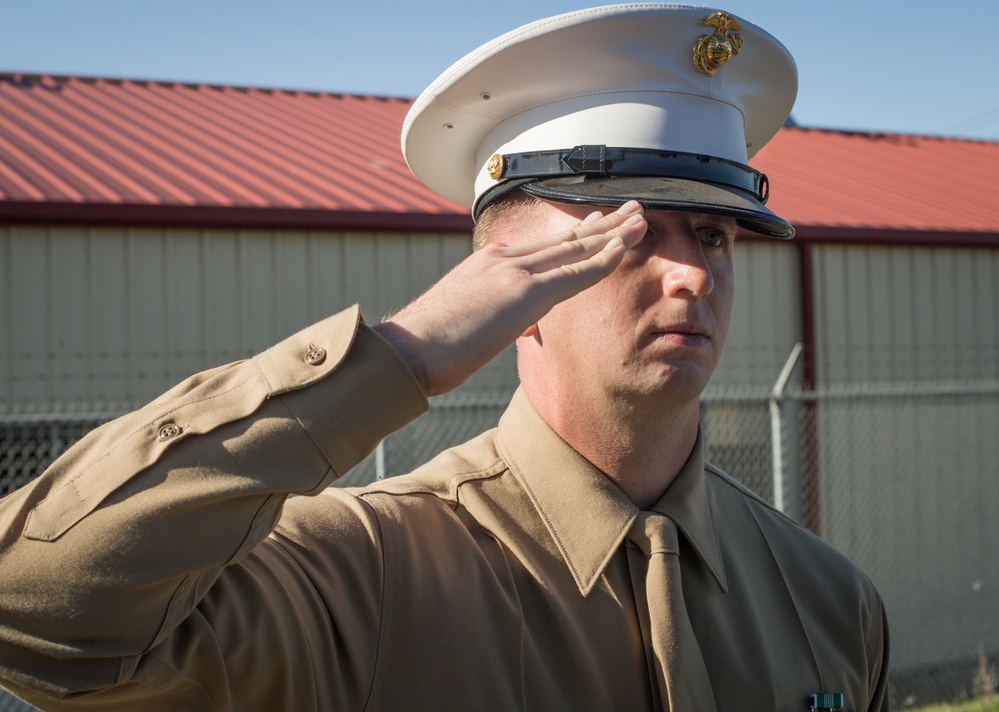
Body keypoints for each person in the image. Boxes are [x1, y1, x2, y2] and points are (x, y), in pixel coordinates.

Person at [0, 5, 889, 711]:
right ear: (507, 284)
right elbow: (35, 607)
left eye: (713, 234)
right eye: (629, 231)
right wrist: (401, 353)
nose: (691, 272)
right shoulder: (365, 574)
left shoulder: (827, 601)